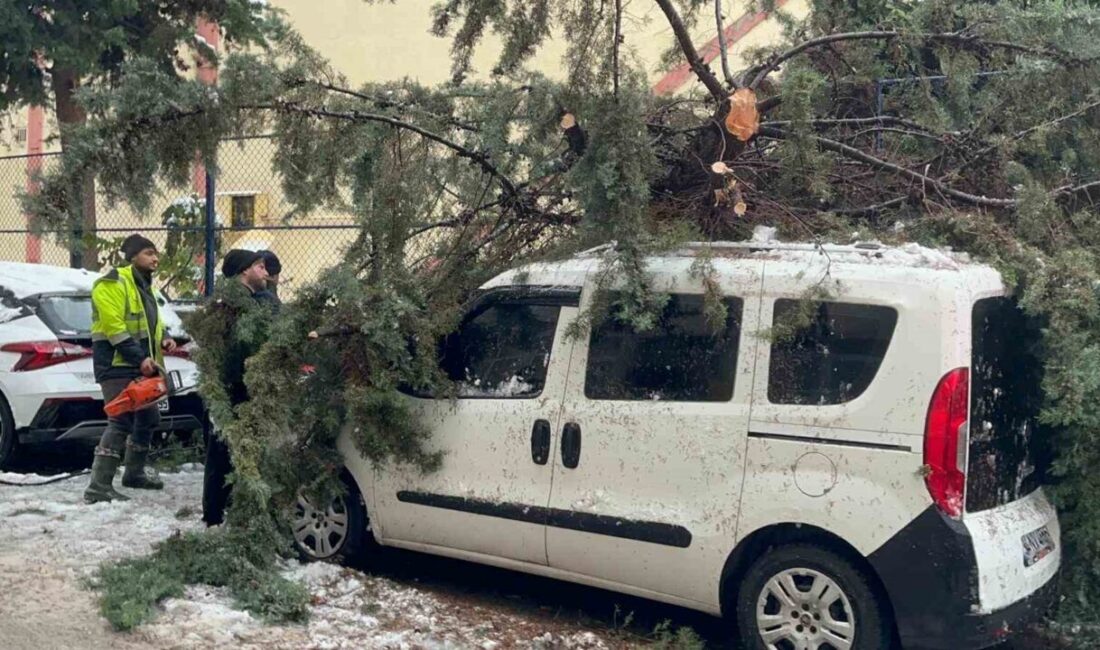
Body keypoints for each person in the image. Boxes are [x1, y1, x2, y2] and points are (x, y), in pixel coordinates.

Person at [84, 234, 177, 504]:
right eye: (149, 253)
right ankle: (98, 486)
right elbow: (115, 328)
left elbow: (150, 324)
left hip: (138, 365)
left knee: (149, 419)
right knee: (120, 420)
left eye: (156, 253)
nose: (155, 258)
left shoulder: (145, 287)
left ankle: (133, 474)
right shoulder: (112, 283)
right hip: (115, 365)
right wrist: (140, 359)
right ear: (133, 256)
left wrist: (164, 337)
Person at [202, 248, 272, 525]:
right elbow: (238, 348)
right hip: (232, 389)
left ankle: (230, 512)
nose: (266, 273)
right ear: (245, 270)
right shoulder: (231, 306)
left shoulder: (252, 302)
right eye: (260, 267)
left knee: (238, 452)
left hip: (245, 387)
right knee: (222, 452)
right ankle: (215, 516)